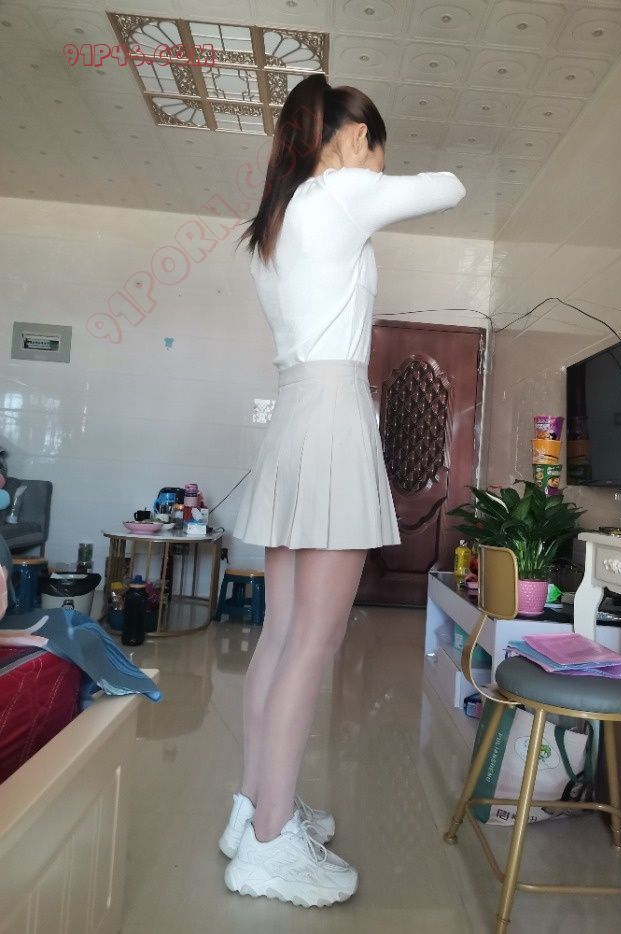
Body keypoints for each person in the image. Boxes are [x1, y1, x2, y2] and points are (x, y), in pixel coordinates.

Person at [222, 74, 466, 908]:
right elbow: (451, 186)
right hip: (329, 417)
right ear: (355, 137)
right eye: (375, 148)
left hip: (296, 413)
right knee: (313, 643)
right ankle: (268, 847)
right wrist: (363, 166)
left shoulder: (273, 222)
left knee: (280, 635)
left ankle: (254, 809)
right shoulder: (339, 193)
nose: (379, 166)